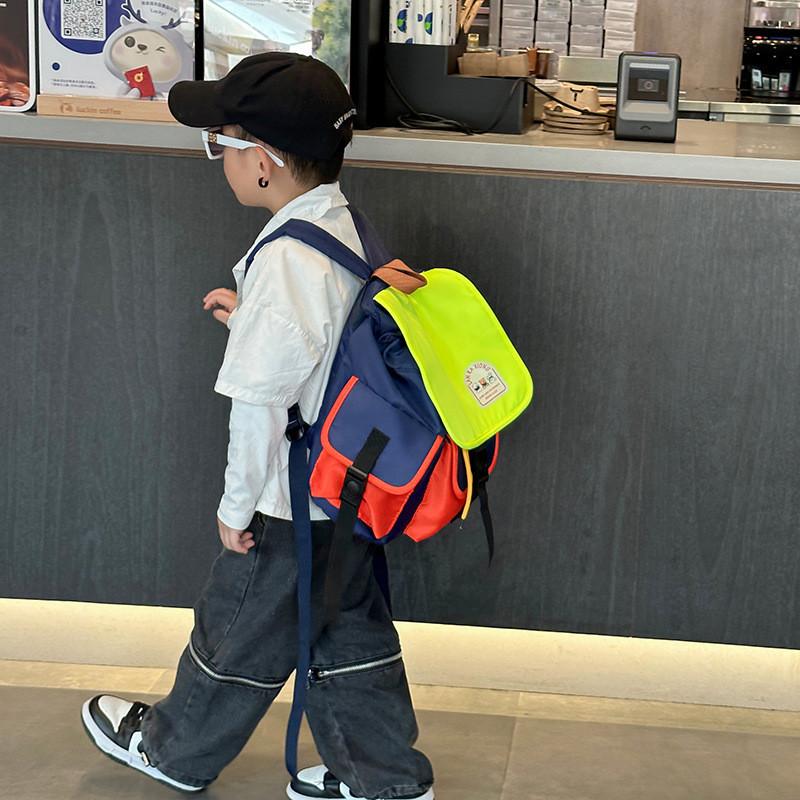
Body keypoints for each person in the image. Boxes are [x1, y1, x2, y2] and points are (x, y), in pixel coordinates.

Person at [79, 52, 435, 800]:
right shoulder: (344, 224)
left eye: (221, 144)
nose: (220, 159)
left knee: (236, 625)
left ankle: (173, 751)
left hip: (289, 499)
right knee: (348, 632)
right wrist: (252, 321)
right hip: (350, 487)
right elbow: (330, 341)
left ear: (264, 161)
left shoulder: (284, 263)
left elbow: (259, 408)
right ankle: (385, 779)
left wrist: (236, 508)